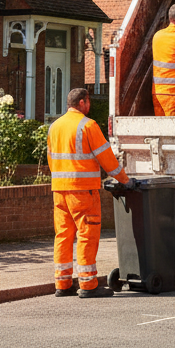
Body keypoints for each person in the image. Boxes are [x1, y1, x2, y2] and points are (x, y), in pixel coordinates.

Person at [48, 88, 133, 298]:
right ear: (83, 103)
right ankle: (87, 285)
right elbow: (107, 159)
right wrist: (125, 180)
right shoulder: (88, 125)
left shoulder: (54, 126)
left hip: (59, 190)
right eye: (89, 102)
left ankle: (63, 283)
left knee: (63, 235)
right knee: (87, 234)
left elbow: (51, 159)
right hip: (82, 191)